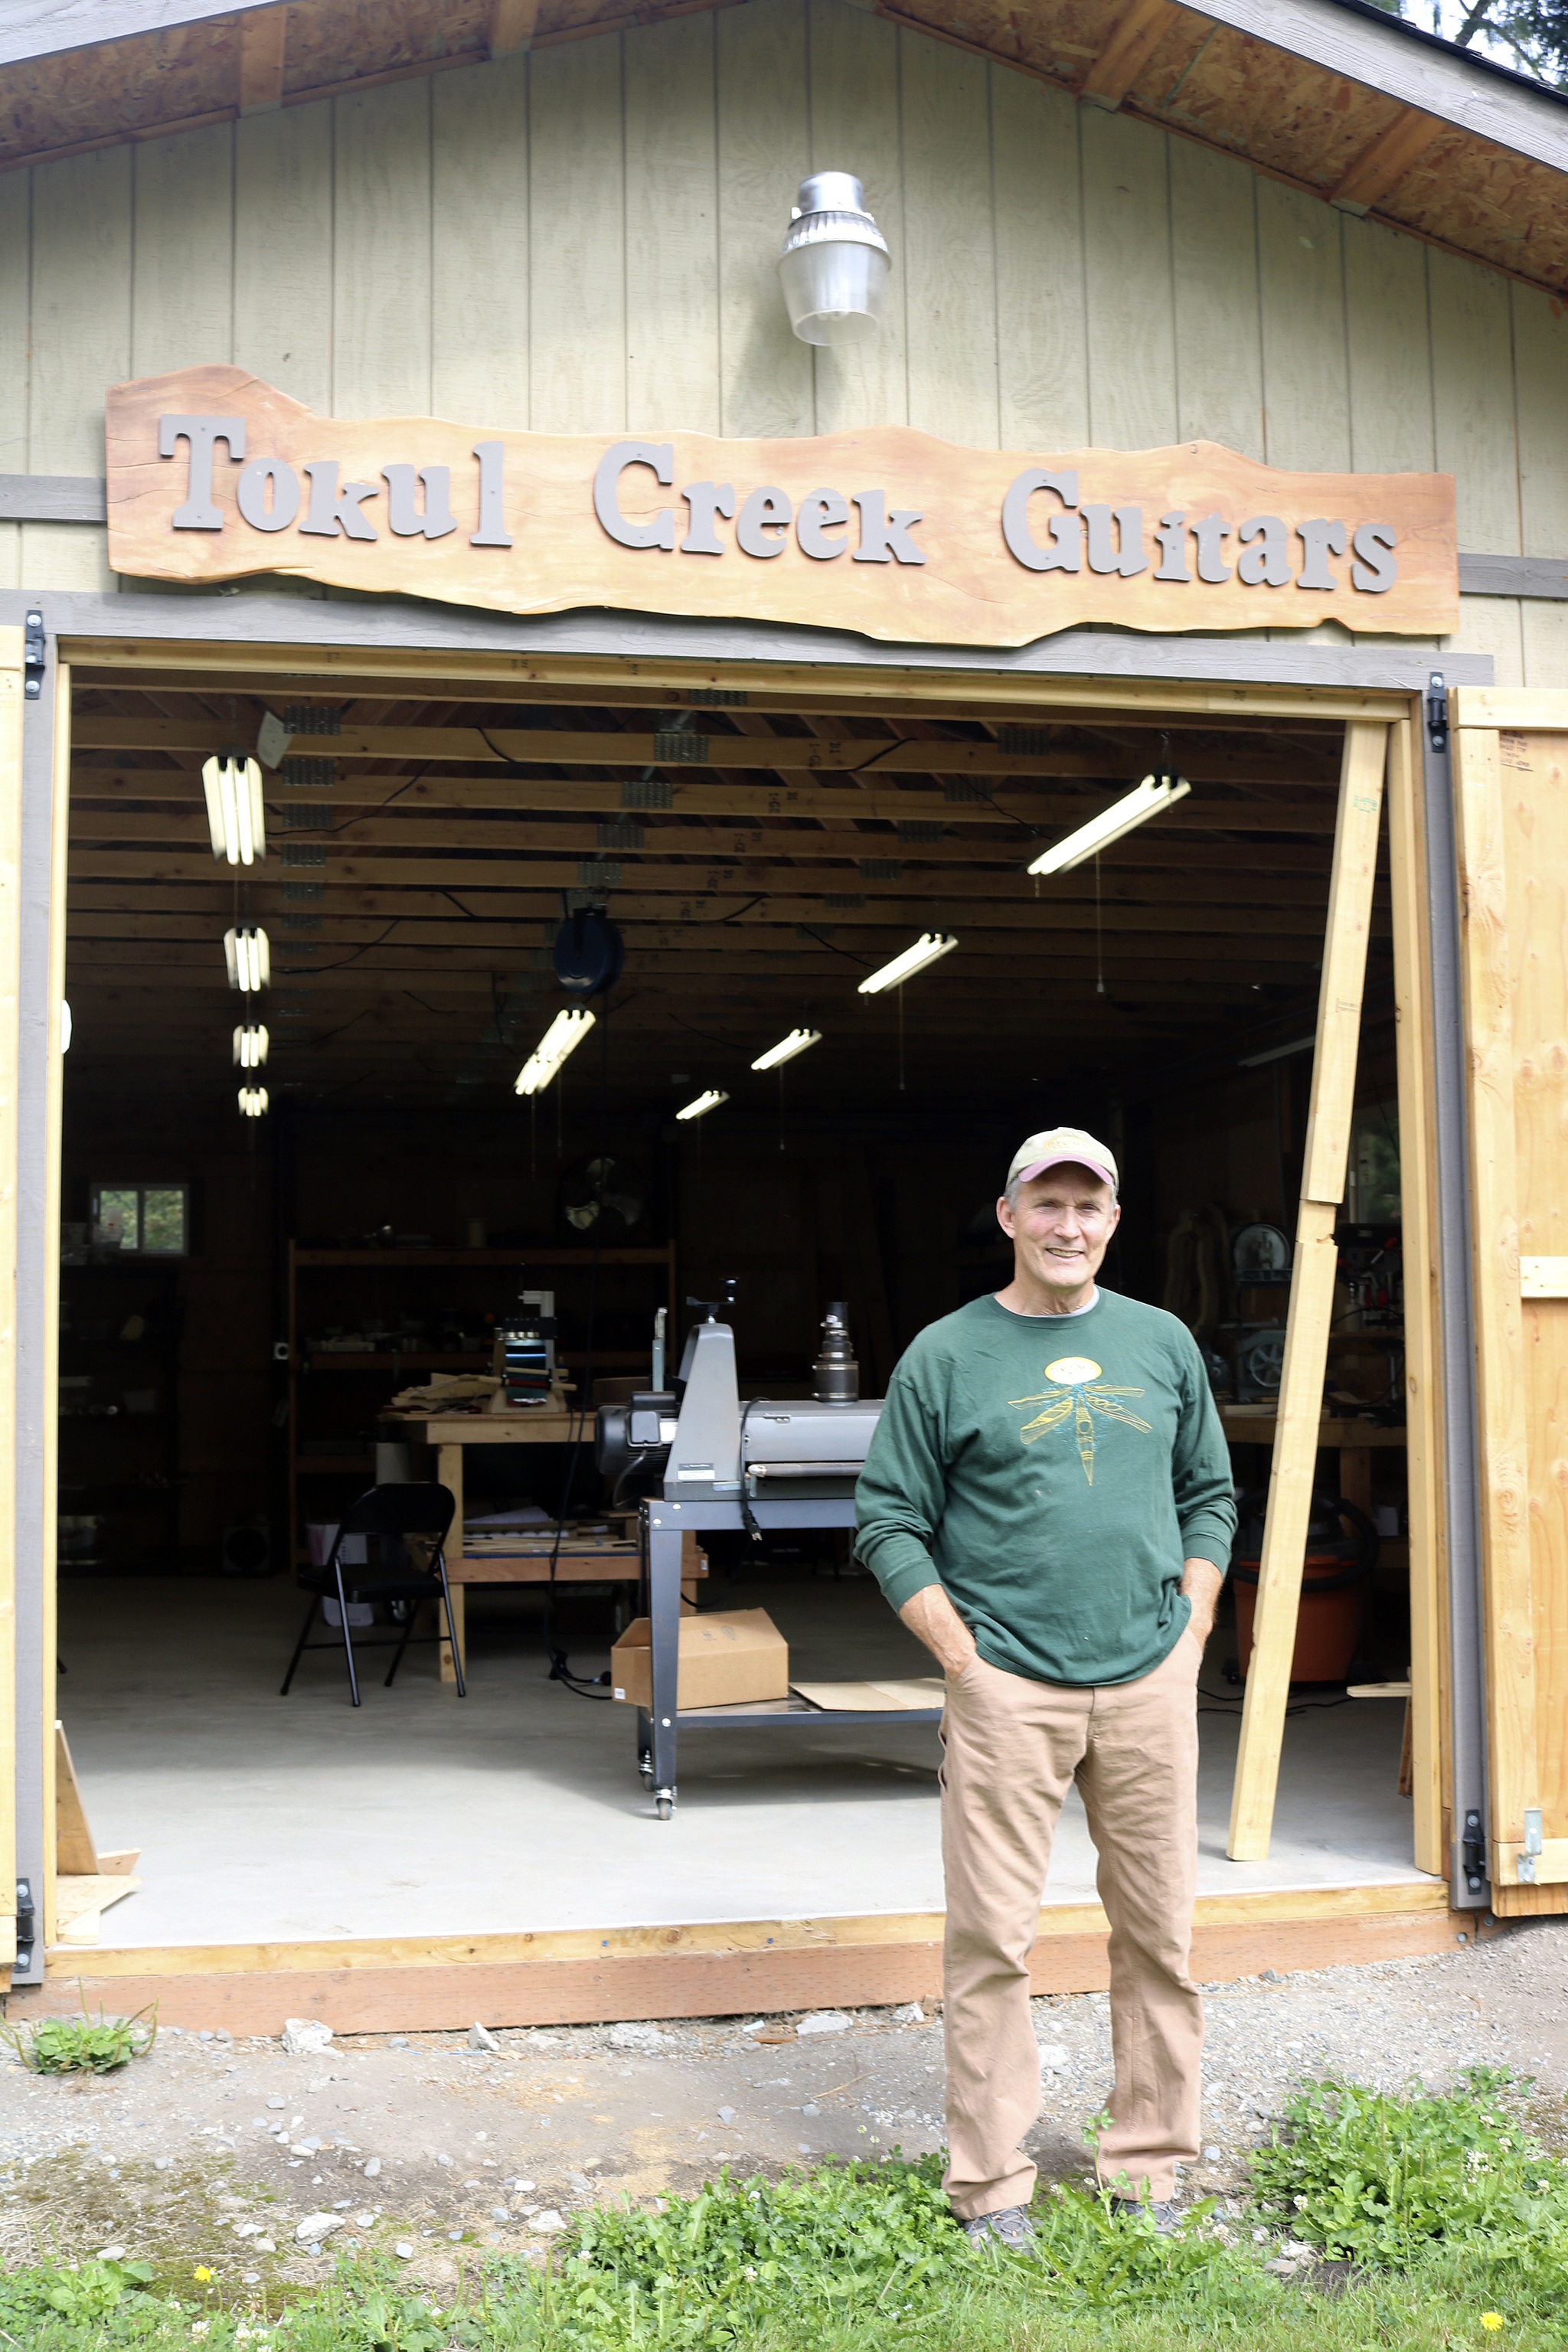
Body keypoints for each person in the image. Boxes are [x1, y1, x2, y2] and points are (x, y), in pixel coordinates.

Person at [854, 1127, 1236, 2248]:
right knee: (991, 1946)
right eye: (1047, 1204)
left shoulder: (1163, 1343)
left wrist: (1194, 1625)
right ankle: (989, 2185)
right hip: (1006, 1685)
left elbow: (1209, 1491)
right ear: (1009, 1215)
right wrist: (962, 1661)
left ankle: (1151, 2167)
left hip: (1150, 1680)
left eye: (1090, 1207)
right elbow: (889, 1518)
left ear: (1115, 1221)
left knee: (1160, 1932)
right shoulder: (946, 1353)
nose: (1069, 1226)